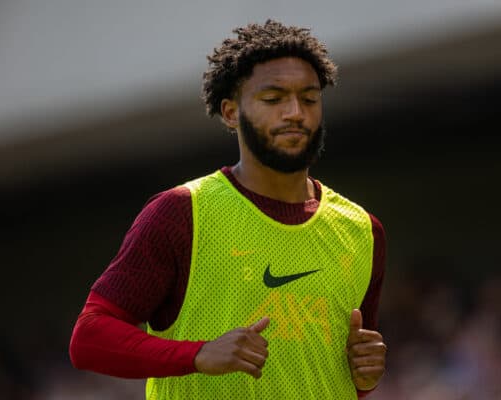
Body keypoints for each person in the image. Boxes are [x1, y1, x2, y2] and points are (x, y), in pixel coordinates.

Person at [69, 19, 387, 399]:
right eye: (273, 99)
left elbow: (339, 376)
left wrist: (364, 376)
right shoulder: (181, 213)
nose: (295, 113)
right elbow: (89, 338)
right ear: (231, 112)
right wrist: (198, 354)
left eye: (309, 98)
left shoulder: (362, 230)